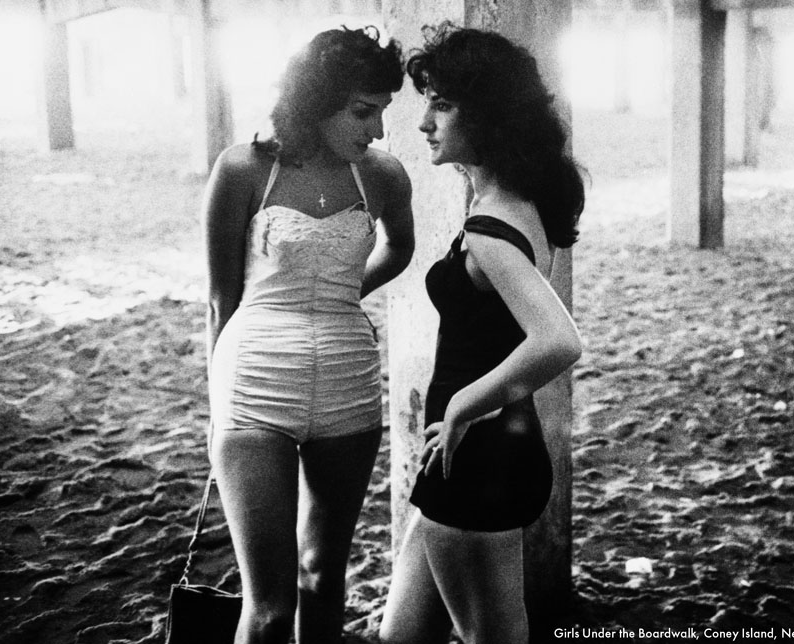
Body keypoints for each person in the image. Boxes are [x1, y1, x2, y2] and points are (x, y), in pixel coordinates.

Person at [203, 26, 414, 644]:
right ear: (316, 100)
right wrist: (218, 403)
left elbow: (401, 248)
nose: (375, 129)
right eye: (362, 111)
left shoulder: (383, 177)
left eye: (382, 112)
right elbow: (221, 295)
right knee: (268, 609)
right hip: (255, 380)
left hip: (348, 382)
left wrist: (349, 292)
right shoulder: (243, 169)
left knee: (324, 579)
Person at [379, 24, 584, 644]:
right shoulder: (518, 202)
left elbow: (559, 341)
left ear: (488, 115)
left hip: (480, 458)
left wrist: (466, 402)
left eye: (441, 104)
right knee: (401, 636)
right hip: (483, 454)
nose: (424, 123)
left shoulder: (491, 229)